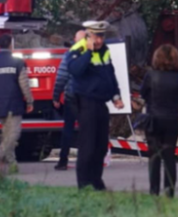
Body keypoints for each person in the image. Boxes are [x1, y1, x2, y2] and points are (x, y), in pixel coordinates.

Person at [67, 20, 124, 190]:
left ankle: (96, 180)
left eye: (101, 36)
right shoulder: (78, 50)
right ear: (88, 36)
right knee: (88, 146)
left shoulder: (105, 50)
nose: (99, 40)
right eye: (96, 36)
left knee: (100, 146)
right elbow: (75, 71)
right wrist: (88, 53)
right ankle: (84, 183)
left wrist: (116, 96)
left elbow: (110, 74)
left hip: (101, 102)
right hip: (85, 102)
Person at [141, 44, 178, 197]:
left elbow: (143, 94)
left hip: (154, 119)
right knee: (169, 157)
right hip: (172, 120)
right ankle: (169, 191)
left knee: (154, 157)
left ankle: (154, 191)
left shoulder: (150, 76)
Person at [0, 34, 33, 165]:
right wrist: (29, 101)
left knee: (6, 133)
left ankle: (12, 163)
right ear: (11, 45)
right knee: (14, 133)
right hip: (13, 102)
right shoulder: (18, 63)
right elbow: (24, 84)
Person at [52, 29, 86, 170]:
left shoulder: (68, 55)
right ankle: (87, 161)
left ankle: (63, 161)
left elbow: (61, 77)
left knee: (68, 129)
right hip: (87, 99)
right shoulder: (93, 55)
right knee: (87, 129)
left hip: (71, 97)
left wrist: (56, 96)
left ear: (75, 40)